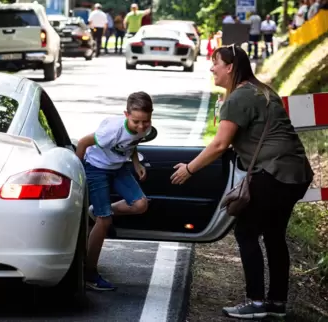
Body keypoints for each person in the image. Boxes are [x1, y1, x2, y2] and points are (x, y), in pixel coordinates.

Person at [170, 45, 313, 319]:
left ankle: (256, 302)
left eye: (215, 62)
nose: (212, 67)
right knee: (273, 235)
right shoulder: (263, 91)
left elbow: (219, 144)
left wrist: (189, 169)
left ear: (230, 67)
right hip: (296, 173)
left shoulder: (239, 97)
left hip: (273, 173)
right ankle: (276, 302)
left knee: (246, 232)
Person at [76, 91, 152, 291]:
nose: (141, 126)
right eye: (136, 121)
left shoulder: (144, 127)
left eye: (146, 121)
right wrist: (79, 172)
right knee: (105, 221)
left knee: (141, 204)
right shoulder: (112, 131)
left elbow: (132, 144)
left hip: (118, 168)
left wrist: (136, 164)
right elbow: (83, 143)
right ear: (126, 115)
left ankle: (98, 211)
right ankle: (89, 273)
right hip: (96, 168)